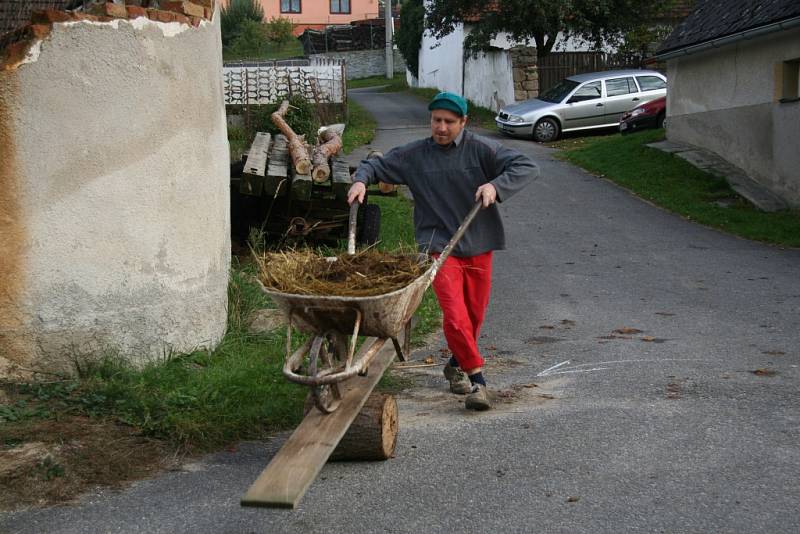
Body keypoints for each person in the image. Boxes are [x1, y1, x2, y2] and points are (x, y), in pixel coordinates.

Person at [347, 92, 538, 410]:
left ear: (463, 123)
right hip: (438, 246)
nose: (442, 127)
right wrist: (361, 181)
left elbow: (526, 166)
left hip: (478, 240)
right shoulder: (415, 156)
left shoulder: (481, 150)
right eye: (437, 120)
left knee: (474, 315)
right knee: (454, 314)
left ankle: (456, 364)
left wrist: (495, 186)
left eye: (450, 122)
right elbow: (375, 164)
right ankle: (478, 381)